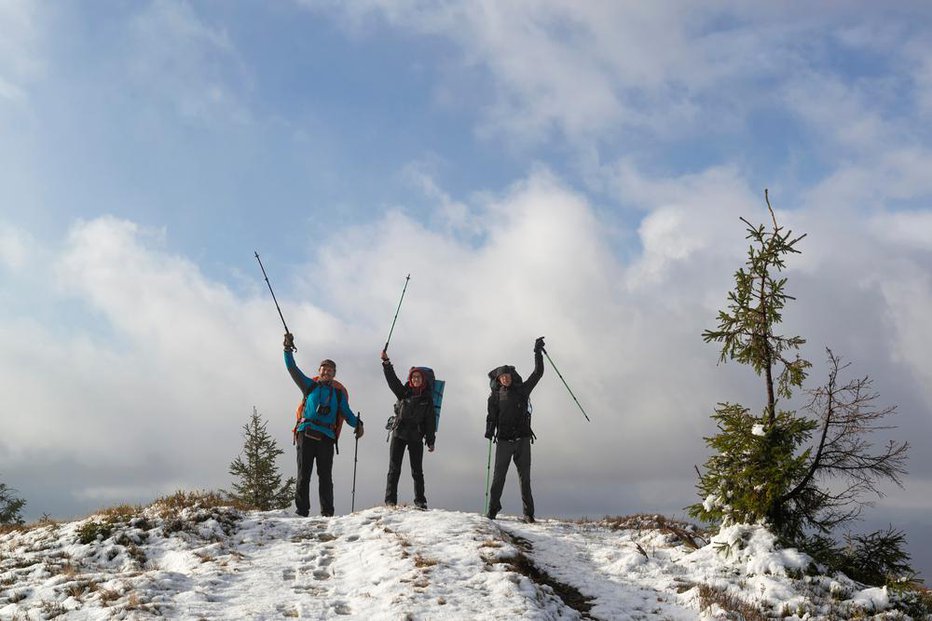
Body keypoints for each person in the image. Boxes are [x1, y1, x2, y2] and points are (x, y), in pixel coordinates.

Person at [284, 332, 363, 517]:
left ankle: (327, 513)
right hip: (306, 432)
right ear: (319, 371)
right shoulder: (309, 385)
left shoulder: (338, 394)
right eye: (323, 369)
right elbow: (292, 368)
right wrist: (287, 348)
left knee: (325, 477)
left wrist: (358, 424)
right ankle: (302, 511)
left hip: (327, 437)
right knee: (304, 475)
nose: (326, 372)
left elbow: (347, 413)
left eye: (330, 370)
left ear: (334, 374)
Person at [485, 336, 545, 523]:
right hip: (503, 440)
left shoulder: (522, 390)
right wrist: (489, 430)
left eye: (507, 376)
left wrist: (537, 352)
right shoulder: (494, 396)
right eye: (502, 377)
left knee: (524, 479)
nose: (505, 379)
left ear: (512, 377)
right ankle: (493, 510)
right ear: (498, 379)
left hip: (523, 440)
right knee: (498, 478)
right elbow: (491, 416)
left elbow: (538, 373)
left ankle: (528, 514)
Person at [380, 349, 436, 509]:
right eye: (413, 377)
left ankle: (420, 501)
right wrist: (386, 363)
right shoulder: (403, 392)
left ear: (423, 380)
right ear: (410, 379)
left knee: (417, 470)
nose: (416, 379)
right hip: (399, 433)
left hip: (416, 436)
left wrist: (431, 441)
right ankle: (390, 500)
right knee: (394, 468)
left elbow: (430, 422)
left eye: (418, 377)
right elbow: (392, 380)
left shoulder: (427, 399)